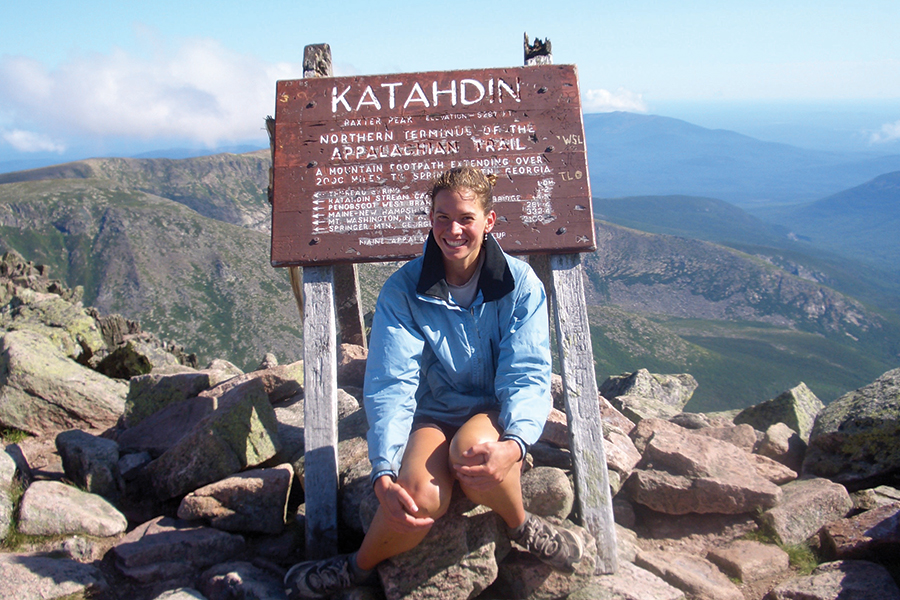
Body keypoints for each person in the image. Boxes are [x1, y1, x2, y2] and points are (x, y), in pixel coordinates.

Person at [284, 166, 584, 599]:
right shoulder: (403, 289)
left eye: (465, 217)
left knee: (476, 454)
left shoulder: (519, 285)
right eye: (442, 217)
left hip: (491, 410)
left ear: (489, 221)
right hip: (432, 413)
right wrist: (383, 469)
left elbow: (527, 372)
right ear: (430, 219)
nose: (453, 229)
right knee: (416, 498)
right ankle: (357, 567)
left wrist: (516, 443)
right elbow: (392, 382)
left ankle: (522, 526)